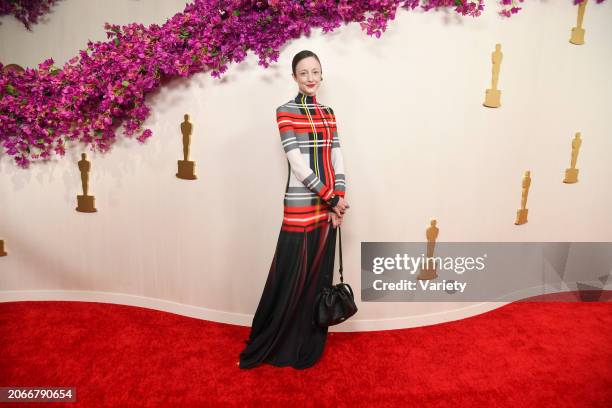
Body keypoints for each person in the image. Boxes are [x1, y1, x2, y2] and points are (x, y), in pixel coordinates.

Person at [238, 50, 349, 369]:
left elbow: (337, 156)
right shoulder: (284, 112)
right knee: (291, 275)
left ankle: (307, 339)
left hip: (330, 204)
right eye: (304, 73)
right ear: (294, 77)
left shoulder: (329, 112)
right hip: (302, 205)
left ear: (321, 75)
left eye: (316, 72)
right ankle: (274, 339)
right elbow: (298, 165)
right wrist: (332, 198)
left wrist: (338, 197)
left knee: (317, 277)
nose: (311, 78)